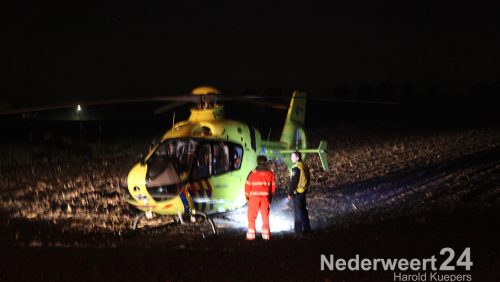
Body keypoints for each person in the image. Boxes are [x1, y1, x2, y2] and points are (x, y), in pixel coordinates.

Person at [245, 155, 276, 240]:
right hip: (265, 198)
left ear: (257, 162)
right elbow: (273, 188)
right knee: (265, 217)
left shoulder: (252, 173)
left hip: (254, 198)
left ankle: (251, 236)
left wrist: (247, 197)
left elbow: (247, 186)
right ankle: (266, 235)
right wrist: (270, 198)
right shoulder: (270, 174)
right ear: (266, 162)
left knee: (251, 217)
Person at [288, 151, 311, 234]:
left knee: (298, 211)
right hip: (303, 191)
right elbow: (308, 179)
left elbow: (293, 181)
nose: (291, 158)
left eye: (292, 156)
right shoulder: (304, 166)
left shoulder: (296, 168)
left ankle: (298, 230)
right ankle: (307, 228)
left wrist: (290, 193)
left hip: (297, 192)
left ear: (297, 158)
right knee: (303, 210)